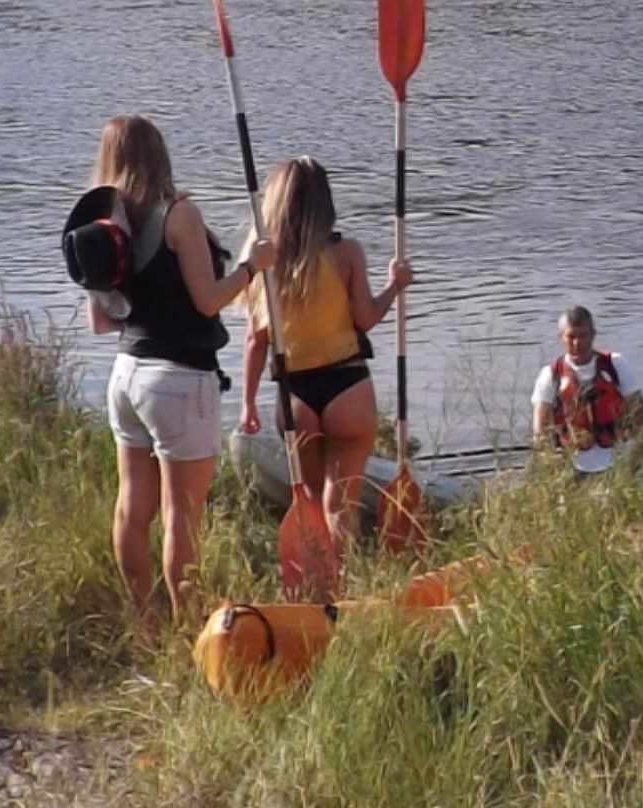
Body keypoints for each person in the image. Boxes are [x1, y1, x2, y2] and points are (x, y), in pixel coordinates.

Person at [75, 115, 257, 634]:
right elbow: (208, 301)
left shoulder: (102, 227)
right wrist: (251, 268)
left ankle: (143, 624)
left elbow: (101, 320)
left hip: (126, 375)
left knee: (133, 507)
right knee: (183, 516)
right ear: (160, 155)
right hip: (179, 378)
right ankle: (186, 631)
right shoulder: (180, 215)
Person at [233, 157, 406, 564]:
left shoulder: (264, 262)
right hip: (348, 384)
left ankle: (318, 586)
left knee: (310, 501)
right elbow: (365, 318)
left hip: (296, 394)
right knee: (340, 505)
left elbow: (255, 340)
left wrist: (247, 403)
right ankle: (346, 582)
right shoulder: (347, 252)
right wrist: (393, 287)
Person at [528, 304, 634, 458]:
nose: (577, 343)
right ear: (561, 338)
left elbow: (642, 420)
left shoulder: (616, 365)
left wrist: (634, 465)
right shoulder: (550, 375)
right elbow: (539, 433)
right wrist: (550, 462)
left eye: (583, 335)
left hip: (618, 463)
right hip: (570, 465)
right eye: (571, 337)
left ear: (593, 335)